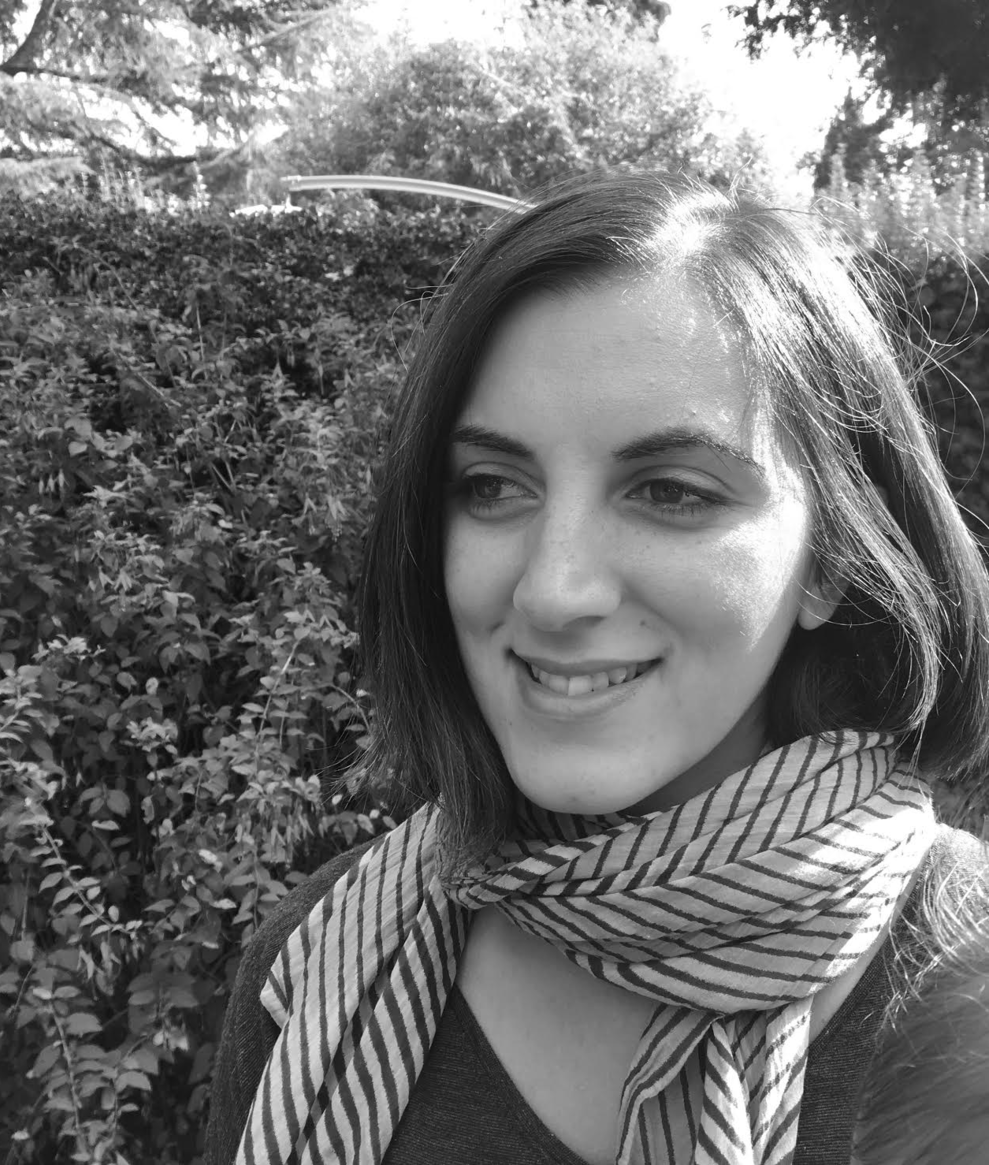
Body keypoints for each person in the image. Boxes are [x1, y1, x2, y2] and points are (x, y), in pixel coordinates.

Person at [204, 172, 989, 1165]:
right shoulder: (313, 968)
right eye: (492, 486)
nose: (553, 590)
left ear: (830, 560)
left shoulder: (967, 985)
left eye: (671, 491)